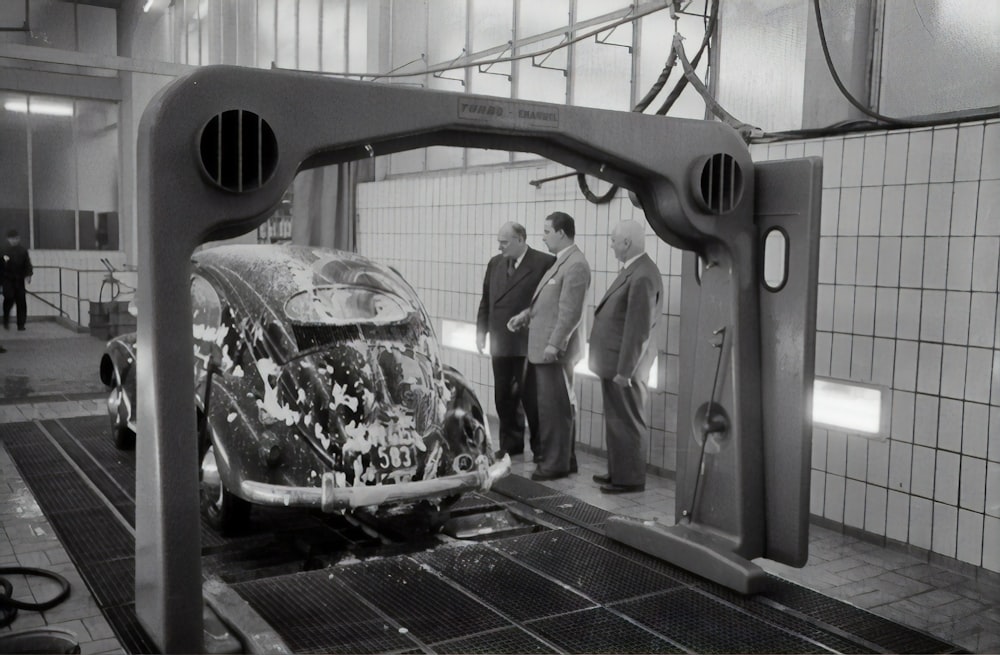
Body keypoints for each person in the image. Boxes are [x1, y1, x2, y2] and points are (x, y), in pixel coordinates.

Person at [507, 211, 591, 481]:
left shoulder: (575, 264)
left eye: (546, 232)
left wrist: (555, 344)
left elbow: (570, 312)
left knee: (554, 410)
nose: (542, 238)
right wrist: (527, 315)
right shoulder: (561, 262)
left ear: (561, 233)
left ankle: (555, 464)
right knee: (558, 407)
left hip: (553, 352)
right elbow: (548, 302)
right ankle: (566, 459)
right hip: (546, 349)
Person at [588, 220, 663, 494]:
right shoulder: (634, 270)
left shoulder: (642, 274)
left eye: (613, 240)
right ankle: (618, 471)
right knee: (617, 421)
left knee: (628, 422)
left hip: (626, 367)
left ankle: (629, 479)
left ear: (626, 243)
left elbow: (638, 329)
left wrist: (625, 370)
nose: (611, 245)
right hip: (615, 363)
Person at [476, 222, 555, 460]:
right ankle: (511, 444)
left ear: (521, 239)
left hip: (527, 342)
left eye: (505, 242)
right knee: (503, 396)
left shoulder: (544, 263)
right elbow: (486, 299)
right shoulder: (495, 263)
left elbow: (550, 302)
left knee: (531, 397)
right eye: (499, 241)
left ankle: (541, 449)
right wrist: (481, 331)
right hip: (500, 341)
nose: (499, 246)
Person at [2, 229, 33, 332]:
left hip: (19, 280)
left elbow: (27, 264)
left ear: (18, 239)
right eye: (11, 239)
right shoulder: (3, 250)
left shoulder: (23, 251)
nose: (13, 241)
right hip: (7, 279)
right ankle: (6, 320)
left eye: (15, 239)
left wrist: (28, 275)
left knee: (21, 302)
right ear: (8, 239)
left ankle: (21, 324)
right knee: (9, 298)